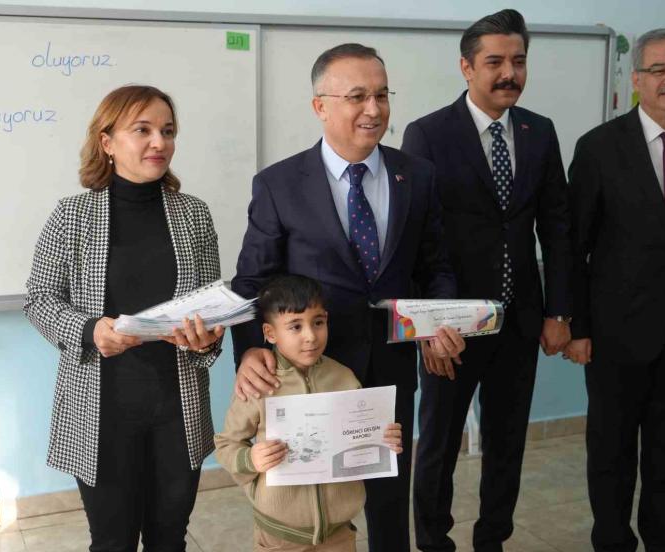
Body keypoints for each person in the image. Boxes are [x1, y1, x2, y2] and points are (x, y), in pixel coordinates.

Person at [231, 43, 465, 552]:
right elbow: (252, 281)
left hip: (390, 367)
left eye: (382, 95)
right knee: (316, 506)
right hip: (311, 372)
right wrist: (250, 350)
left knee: (388, 501)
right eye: (357, 96)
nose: (374, 109)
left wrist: (436, 323)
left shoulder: (417, 176)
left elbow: (435, 268)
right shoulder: (278, 184)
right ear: (320, 106)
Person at [24, 85, 224, 551]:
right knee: (112, 542)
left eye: (168, 131)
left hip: (177, 411)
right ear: (107, 141)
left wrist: (207, 338)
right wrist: (89, 329)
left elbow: (211, 309)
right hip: (101, 412)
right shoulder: (72, 215)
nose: (159, 142)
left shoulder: (194, 215)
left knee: (169, 539)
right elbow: (39, 298)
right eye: (143, 130)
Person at [401, 10, 572, 551]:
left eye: (518, 61)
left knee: (507, 443)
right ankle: (434, 541)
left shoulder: (539, 131)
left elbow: (558, 229)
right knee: (439, 444)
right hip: (451, 326)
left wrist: (559, 311)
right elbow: (415, 239)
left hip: (520, 321)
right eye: (495, 61)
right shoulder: (428, 133)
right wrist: (428, 327)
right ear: (466, 67)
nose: (509, 73)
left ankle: (492, 540)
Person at [564, 28, 665, 552]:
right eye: (659, 70)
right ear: (637, 79)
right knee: (612, 455)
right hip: (615, 337)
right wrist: (576, 327)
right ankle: (613, 542)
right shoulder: (599, 147)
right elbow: (573, 247)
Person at [215, 274, 403, 552]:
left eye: (318, 322)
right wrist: (250, 459)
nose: (311, 336)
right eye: (295, 326)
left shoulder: (345, 378)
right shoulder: (258, 384)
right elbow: (227, 444)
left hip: (339, 533)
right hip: (279, 536)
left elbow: (361, 441)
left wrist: (384, 439)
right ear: (270, 333)